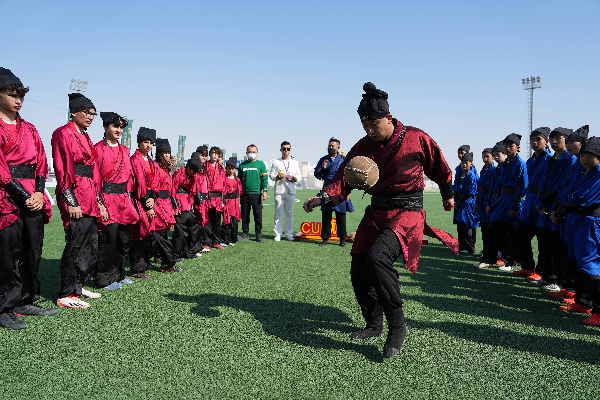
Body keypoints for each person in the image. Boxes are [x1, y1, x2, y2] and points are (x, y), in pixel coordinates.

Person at [304, 82, 457, 358]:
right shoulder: (364, 146)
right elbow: (342, 179)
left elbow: (441, 167)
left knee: (378, 258)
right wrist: (323, 198)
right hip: (377, 211)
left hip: (408, 212)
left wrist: (448, 195)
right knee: (359, 267)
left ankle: (397, 325)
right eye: (365, 126)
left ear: (388, 117)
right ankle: (374, 323)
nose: (370, 130)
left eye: (374, 124)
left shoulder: (416, 138)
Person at [0, 68, 56, 329]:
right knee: (7, 253)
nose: (18, 100)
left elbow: (41, 163)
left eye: (21, 95)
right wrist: (23, 195)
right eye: (12, 95)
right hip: (6, 196)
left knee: (32, 249)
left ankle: (26, 298)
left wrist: (37, 192)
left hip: (32, 194)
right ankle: (5, 306)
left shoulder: (30, 128)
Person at [52, 93, 107, 308]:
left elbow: (94, 172)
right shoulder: (62, 133)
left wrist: (99, 201)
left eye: (93, 113)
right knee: (75, 245)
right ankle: (66, 292)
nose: (90, 117)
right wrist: (70, 200)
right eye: (86, 112)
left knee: (90, 245)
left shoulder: (84, 136)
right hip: (75, 195)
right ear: (73, 112)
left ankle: (79, 286)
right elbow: (61, 168)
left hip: (90, 196)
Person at [94, 112, 139, 290]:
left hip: (123, 201)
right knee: (108, 241)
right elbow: (95, 178)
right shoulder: (98, 149)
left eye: (120, 127)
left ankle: (119, 275)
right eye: (115, 126)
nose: (118, 130)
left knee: (123, 240)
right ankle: (103, 278)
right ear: (105, 127)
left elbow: (129, 177)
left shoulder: (125, 150)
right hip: (106, 198)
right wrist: (99, 202)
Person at [559, 136, 600, 326]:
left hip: (590, 221)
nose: (584, 159)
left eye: (589, 155)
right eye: (583, 155)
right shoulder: (584, 171)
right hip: (577, 219)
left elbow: (583, 198)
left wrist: (569, 200)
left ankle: (598, 310)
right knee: (577, 260)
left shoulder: (598, 173)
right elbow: (568, 191)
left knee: (590, 263)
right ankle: (583, 302)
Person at [535, 128, 576, 290]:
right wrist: (542, 202)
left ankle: (559, 280)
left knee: (558, 245)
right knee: (545, 242)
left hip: (556, 205)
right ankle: (548, 276)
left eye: (558, 139)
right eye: (551, 139)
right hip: (546, 206)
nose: (554, 142)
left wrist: (549, 200)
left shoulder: (570, 160)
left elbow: (563, 184)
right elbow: (542, 181)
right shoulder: (550, 159)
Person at [511, 127, 551, 278]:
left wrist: (544, 202)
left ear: (546, 141)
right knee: (520, 236)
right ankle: (527, 266)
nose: (534, 142)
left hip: (541, 203)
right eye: (532, 140)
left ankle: (540, 272)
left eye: (538, 139)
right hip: (529, 202)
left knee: (543, 241)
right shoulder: (530, 160)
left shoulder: (549, 160)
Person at [486, 134, 528, 272]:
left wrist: (515, 206)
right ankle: (491, 258)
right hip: (502, 199)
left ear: (518, 147)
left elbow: (522, 186)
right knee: (493, 227)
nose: (508, 148)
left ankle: (512, 262)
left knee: (512, 232)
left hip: (513, 199)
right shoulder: (504, 165)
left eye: (511, 145)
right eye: (506, 145)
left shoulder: (520, 164)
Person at [314, 137, 353, 247]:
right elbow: (317, 174)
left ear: (338, 147)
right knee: (326, 215)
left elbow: (348, 177)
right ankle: (325, 238)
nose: (330, 147)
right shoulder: (323, 159)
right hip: (327, 188)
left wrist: (348, 192)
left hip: (340, 190)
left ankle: (342, 239)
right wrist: (322, 168)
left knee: (341, 215)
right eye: (329, 146)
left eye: (332, 146)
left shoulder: (343, 160)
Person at [152, 138, 180, 272]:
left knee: (162, 233)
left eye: (169, 152)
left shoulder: (166, 169)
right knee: (160, 234)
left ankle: (163, 258)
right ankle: (168, 262)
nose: (167, 155)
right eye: (164, 152)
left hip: (166, 203)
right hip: (157, 203)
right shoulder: (156, 167)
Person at [172, 152, 202, 259]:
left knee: (192, 229)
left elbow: (193, 192)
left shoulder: (193, 176)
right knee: (180, 232)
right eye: (193, 171)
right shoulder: (178, 174)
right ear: (189, 167)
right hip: (180, 205)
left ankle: (189, 251)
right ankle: (176, 254)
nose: (194, 173)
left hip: (188, 205)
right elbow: (173, 191)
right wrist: (175, 207)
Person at [269, 141, 301, 241]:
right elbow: (271, 175)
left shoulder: (294, 162)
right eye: (284, 149)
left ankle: (289, 234)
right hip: (279, 190)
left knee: (289, 214)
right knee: (278, 213)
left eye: (288, 149)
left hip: (291, 190)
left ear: (290, 150)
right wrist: (277, 177)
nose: (286, 151)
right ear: (281, 150)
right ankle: (277, 234)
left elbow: (299, 176)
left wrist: (294, 178)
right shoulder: (276, 162)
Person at [238, 144, 268, 242]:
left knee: (258, 215)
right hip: (244, 194)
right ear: (246, 153)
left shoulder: (261, 165)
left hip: (256, 194)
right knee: (245, 215)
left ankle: (258, 234)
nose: (252, 153)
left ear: (257, 153)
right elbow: (239, 180)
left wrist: (264, 191)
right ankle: (245, 233)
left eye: (254, 152)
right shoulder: (242, 165)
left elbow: (264, 179)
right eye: (250, 152)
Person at [473, 147, 495, 268]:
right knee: (484, 230)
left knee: (489, 231)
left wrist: (489, 204)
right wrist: (477, 202)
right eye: (483, 156)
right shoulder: (483, 170)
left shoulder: (494, 170)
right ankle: (486, 255)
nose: (485, 159)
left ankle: (489, 258)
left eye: (487, 156)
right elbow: (479, 188)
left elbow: (492, 189)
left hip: (488, 202)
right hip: (481, 201)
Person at [454, 152, 479, 254]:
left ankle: (469, 248)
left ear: (471, 164)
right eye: (462, 162)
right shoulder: (461, 175)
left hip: (468, 203)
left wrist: (459, 202)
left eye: (466, 163)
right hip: (462, 203)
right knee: (461, 225)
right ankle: (463, 246)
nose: (464, 165)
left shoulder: (471, 176)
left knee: (467, 225)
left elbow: (469, 192)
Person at [204, 146, 226, 249]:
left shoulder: (221, 168)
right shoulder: (205, 166)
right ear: (210, 154)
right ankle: (207, 242)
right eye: (213, 153)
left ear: (219, 156)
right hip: (208, 197)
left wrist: (223, 200)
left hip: (218, 198)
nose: (214, 155)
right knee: (207, 221)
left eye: (217, 153)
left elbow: (224, 185)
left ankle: (216, 241)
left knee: (217, 221)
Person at [222, 158, 242, 245]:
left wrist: (238, 203)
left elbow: (239, 192)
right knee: (226, 220)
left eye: (232, 168)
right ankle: (226, 239)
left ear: (235, 169)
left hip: (234, 202)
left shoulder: (237, 180)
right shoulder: (224, 178)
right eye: (229, 168)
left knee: (234, 220)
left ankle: (233, 239)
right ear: (226, 168)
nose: (230, 170)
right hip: (227, 201)